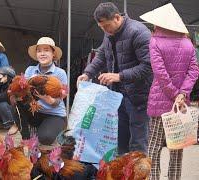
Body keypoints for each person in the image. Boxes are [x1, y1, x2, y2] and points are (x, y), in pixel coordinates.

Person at [77, 2, 152, 155]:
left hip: (138, 97)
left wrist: (119, 76)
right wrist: (88, 73)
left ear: (117, 18)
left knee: (138, 144)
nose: (104, 30)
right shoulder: (109, 33)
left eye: (106, 26)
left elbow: (148, 66)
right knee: (119, 142)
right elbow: (102, 54)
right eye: (101, 27)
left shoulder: (139, 32)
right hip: (117, 96)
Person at [140, 3, 199, 179]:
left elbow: (160, 74)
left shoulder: (155, 41)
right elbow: (194, 70)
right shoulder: (188, 43)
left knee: (154, 145)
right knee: (177, 144)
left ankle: (153, 177)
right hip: (180, 103)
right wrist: (182, 94)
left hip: (160, 101)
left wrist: (174, 93)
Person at [15, 37, 67, 145]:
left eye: (46, 50)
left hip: (54, 114)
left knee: (45, 139)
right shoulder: (30, 70)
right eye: (39, 51)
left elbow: (61, 98)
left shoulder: (60, 73)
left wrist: (49, 100)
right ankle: (26, 137)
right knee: (15, 102)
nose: (42, 53)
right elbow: (24, 93)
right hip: (36, 111)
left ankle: (52, 127)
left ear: (53, 54)